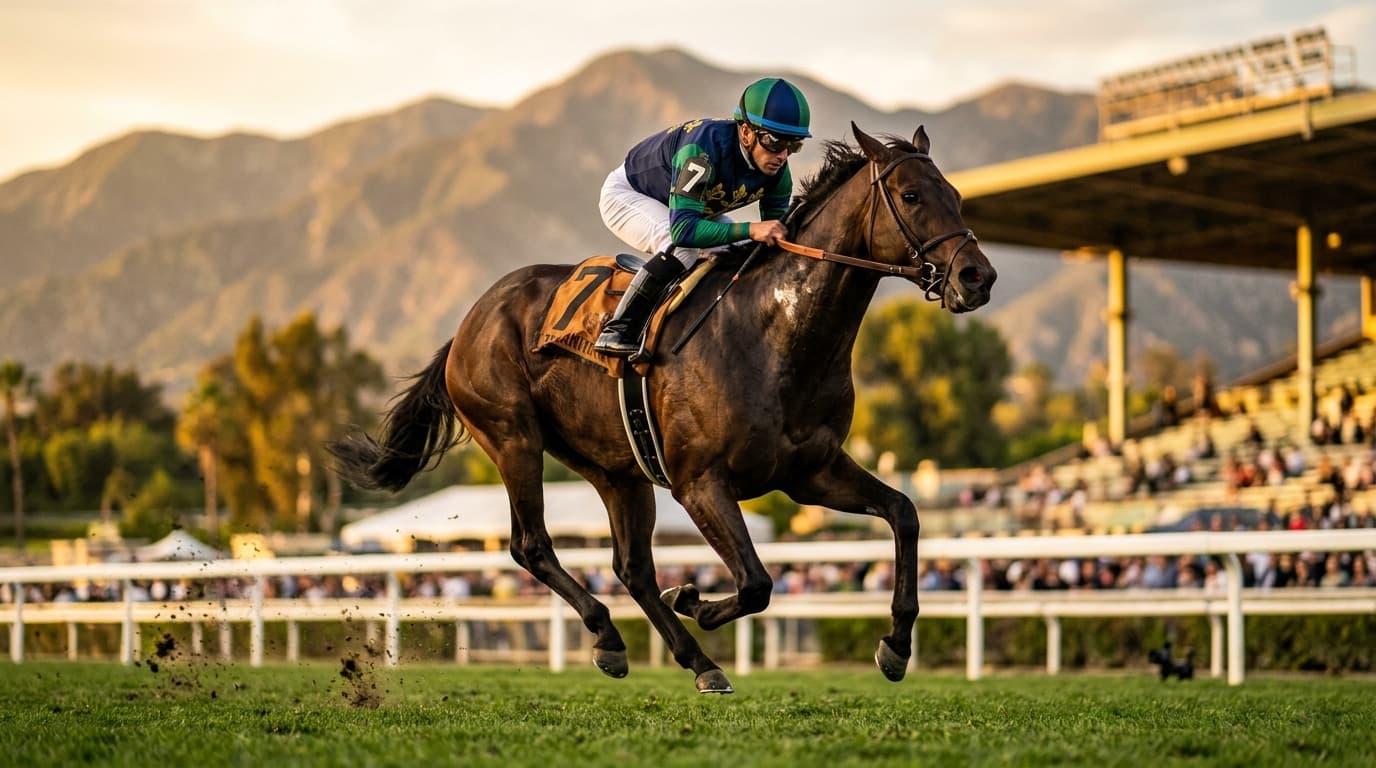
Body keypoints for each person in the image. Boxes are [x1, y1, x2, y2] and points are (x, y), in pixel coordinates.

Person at [593, 77, 812, 356]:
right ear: (746, 132)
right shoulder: (702, 151)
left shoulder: (778, 174)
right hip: (630, 195)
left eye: (794, 146)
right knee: (683, 250)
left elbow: (775, 238)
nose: (782, 155)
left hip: (691, 208)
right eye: (774, 141)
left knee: (741, 253)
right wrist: (752, 229)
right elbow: (683, 230)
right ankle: (618, 329)